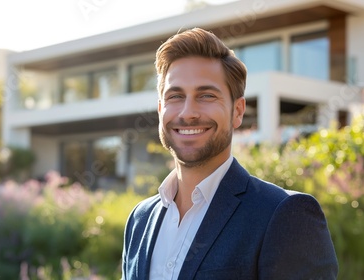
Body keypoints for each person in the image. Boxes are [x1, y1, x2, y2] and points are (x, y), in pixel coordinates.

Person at [121, 27, 338, 279]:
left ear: (237, 111)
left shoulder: (284, 215)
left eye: (206, 95)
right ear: (160, 110)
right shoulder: (140, 220)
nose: (188, 112)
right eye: (175, 96)